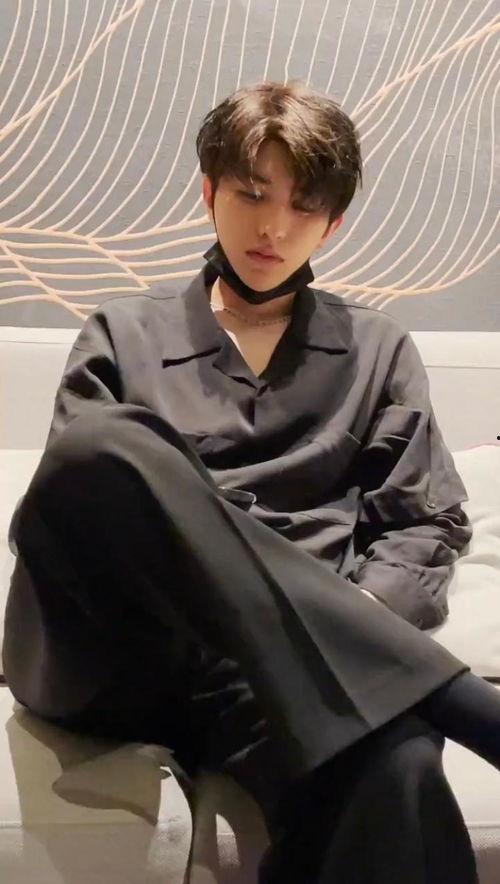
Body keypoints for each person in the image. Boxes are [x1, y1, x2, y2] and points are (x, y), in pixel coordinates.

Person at [3, 79, 500, 883]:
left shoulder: (375, 352)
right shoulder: (123, 333)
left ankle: (376, 677)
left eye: (304, 206)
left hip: (281, 683)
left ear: (333, 224)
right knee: (105, 448)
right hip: (116, 656)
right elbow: (78, 523)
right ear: (209, 192)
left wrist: (350, 629)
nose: (273, 227)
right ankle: (455, 697)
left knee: (401, 760)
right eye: (252, 193)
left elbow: (423, 523)